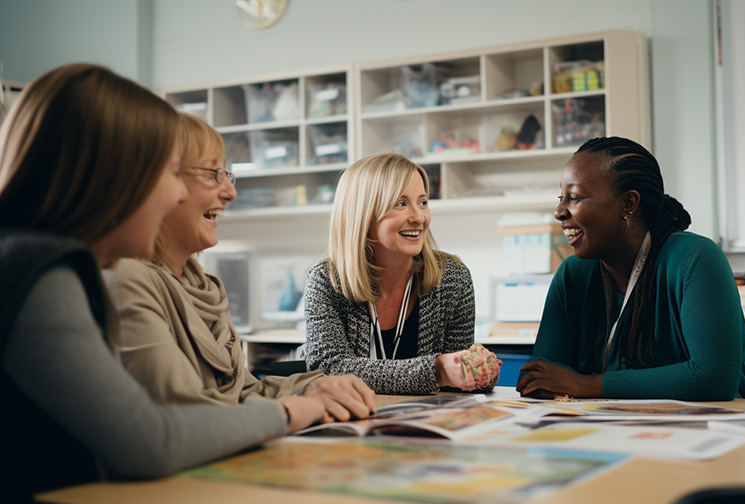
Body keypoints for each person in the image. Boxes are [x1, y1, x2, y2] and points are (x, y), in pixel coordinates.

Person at [0, 64, 326, 500]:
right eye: (171, 173)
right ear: (116, 176)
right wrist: (285, 413)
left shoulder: (44, 263)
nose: (176, 195)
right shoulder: (38, 272)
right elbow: (148, 441)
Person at [105, 112, 375, 420]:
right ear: (156, 182)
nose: (231, 193)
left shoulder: (204, 286)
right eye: (212, 174)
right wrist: (286, 413)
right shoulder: (127, 278)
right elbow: (180, 414)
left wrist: (311, 388)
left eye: (227, 175)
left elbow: (242, 392)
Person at [516, 136, 745, 401]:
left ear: (628, 204)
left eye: (575, 197)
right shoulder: (572, 274)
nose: (559, 211)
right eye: (561, 197)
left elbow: (713, 378)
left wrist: (584, 384)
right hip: (621, 429)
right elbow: (538, 377)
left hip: (731, 427)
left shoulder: (697, 260)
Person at [304, 152, 500, 394]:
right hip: (356, 424)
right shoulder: (326, 280)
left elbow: (457, 381)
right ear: (363, 214)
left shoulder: (452, 278)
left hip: (426, 425)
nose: (419, 217)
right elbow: (328, 368)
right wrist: (435, 371)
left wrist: (478, 371)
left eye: (423, 202)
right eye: (401, 203)